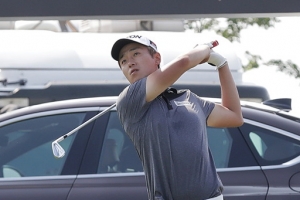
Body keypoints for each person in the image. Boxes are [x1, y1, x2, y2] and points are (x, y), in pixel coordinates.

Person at [111, 35, 243, 200]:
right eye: (123, 61)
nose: (129, 62)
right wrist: (204, 48)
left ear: (156, 58)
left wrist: (221, 64)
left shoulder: (189, 98)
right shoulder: (129, 100)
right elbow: (183, 62)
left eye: (135, 54)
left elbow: (234, 116)